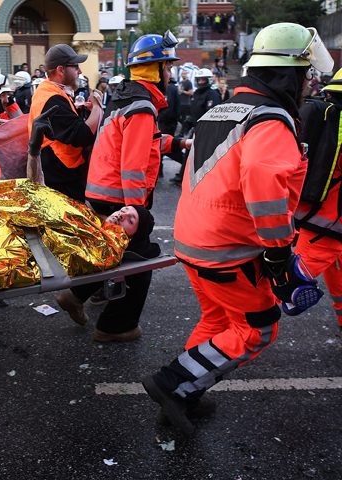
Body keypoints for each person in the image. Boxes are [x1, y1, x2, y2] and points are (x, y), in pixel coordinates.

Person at [142, 23, 333, 436]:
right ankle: (172, 384)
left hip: (194, 240)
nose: (308, 84)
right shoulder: (271, 120)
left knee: (216, 322)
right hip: (229, 248)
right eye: (305, 75)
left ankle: (186, 395)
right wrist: (279, 251)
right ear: (290, 74)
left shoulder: (225, 108)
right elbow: (265, 188)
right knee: (257, 329)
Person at [58, 31, 190, 342]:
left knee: (116, 253)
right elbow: (132, 165)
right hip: (121, 196)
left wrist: (179, 142)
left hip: (102, 191)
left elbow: (141, 143)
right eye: (168, 67)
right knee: (141, 261)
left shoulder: (125, 97)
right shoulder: (142, 107)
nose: (171, 74)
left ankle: (74, 296)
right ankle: (115, 327)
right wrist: (137, 213)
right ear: (154, 69)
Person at [294, 68, 342, 326]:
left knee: (337, 275)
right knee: (287, 287)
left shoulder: (323, 116)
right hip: (330, 225)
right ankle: (244, 323)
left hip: (312, 214)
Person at [27, 44, 103, 203]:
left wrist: (86, 112)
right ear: (61, 70)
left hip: (60, 174)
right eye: (75, 66)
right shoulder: (52, 98)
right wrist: (97, 107)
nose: (80, 71)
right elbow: (82, 135)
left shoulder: (50, 92)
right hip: (62, 179)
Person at [170, 68, 221, 186]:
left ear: (208, 80)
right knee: (189, 153)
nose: (201, 82)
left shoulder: (213, 94)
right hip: (196, 129)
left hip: (208, 131)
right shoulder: (196, 94)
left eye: (204, 80)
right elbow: (192, 110)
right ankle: (183, 177)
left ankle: (201, 180)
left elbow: (212, 114)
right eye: (199, 80)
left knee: (203, 156)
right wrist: (187, 123)